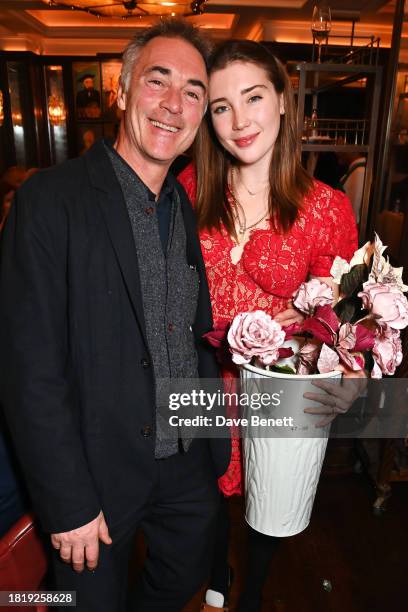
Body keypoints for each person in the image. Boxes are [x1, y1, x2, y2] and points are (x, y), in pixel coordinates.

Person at [0, 20, 230, 612]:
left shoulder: (185, 202)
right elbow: (29, 368)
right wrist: (67, 499)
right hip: (93, 471)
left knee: (182, 577)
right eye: (158, 82)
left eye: (193, 92)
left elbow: (188, 334)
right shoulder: (50, 199)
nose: (174, 105)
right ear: (123, 90)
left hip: (186, 462)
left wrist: (211, 448)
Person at [178, 40, 363, 612]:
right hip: (201, 380)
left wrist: (315, 327)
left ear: (282, 101)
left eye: (253, 97)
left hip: (276, 386)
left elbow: (346, 319)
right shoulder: (185, 190)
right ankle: (216, 574)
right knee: (201, 501)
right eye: (221, 106)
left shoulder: (327, 207)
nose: (239, 121)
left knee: (271, 498)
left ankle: (254, 590)